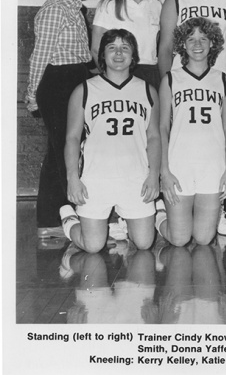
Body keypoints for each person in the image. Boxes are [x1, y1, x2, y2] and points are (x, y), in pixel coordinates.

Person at [160, 0, 226, 237]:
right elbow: (166, 44)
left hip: (219, 79)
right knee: (179, 137)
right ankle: (170, 204)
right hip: (182, 79)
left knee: (220, 137)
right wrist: (162, 82)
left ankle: (217, 207)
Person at [59, 29, 161, 252]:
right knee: (93, 246)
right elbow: (72, 138)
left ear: (134, 56)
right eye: (111, 48)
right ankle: (69, 219)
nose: (118, 53)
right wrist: (72, 178)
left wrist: (154, 175)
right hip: (96, 177)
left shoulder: (147, 90)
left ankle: (125, 221)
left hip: (135, 176)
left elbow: (154, 137)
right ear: (102, 55)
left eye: (125, 48)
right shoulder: (85, 89)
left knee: (144, 243)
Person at [28, 0, 95, 240]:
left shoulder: (75, 8)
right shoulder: (54, 9)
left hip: (75, 77)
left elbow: (80, 53)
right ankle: (65, 212)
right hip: (56, 81)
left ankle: (48, 217)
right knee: (62, 149)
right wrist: (32, 92)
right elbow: (40, 55)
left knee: (59, 149)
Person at [157, 18, 226, 245]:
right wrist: (164, 171)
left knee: (204, 238)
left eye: (203, 39)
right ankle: (159, 215)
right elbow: (162, 127)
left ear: (213, 44)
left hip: (212, 163)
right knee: (179, 239)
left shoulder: (222, 79)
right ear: (182, 44)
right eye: (191, 39)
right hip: (179, 163)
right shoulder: (171, 79)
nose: (197, 44)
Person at [92, 0, 162, 84]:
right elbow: (96, 49)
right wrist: (110, 77)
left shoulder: (156, 5)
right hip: (121, 72)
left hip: (150, 72)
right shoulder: (108, 5)